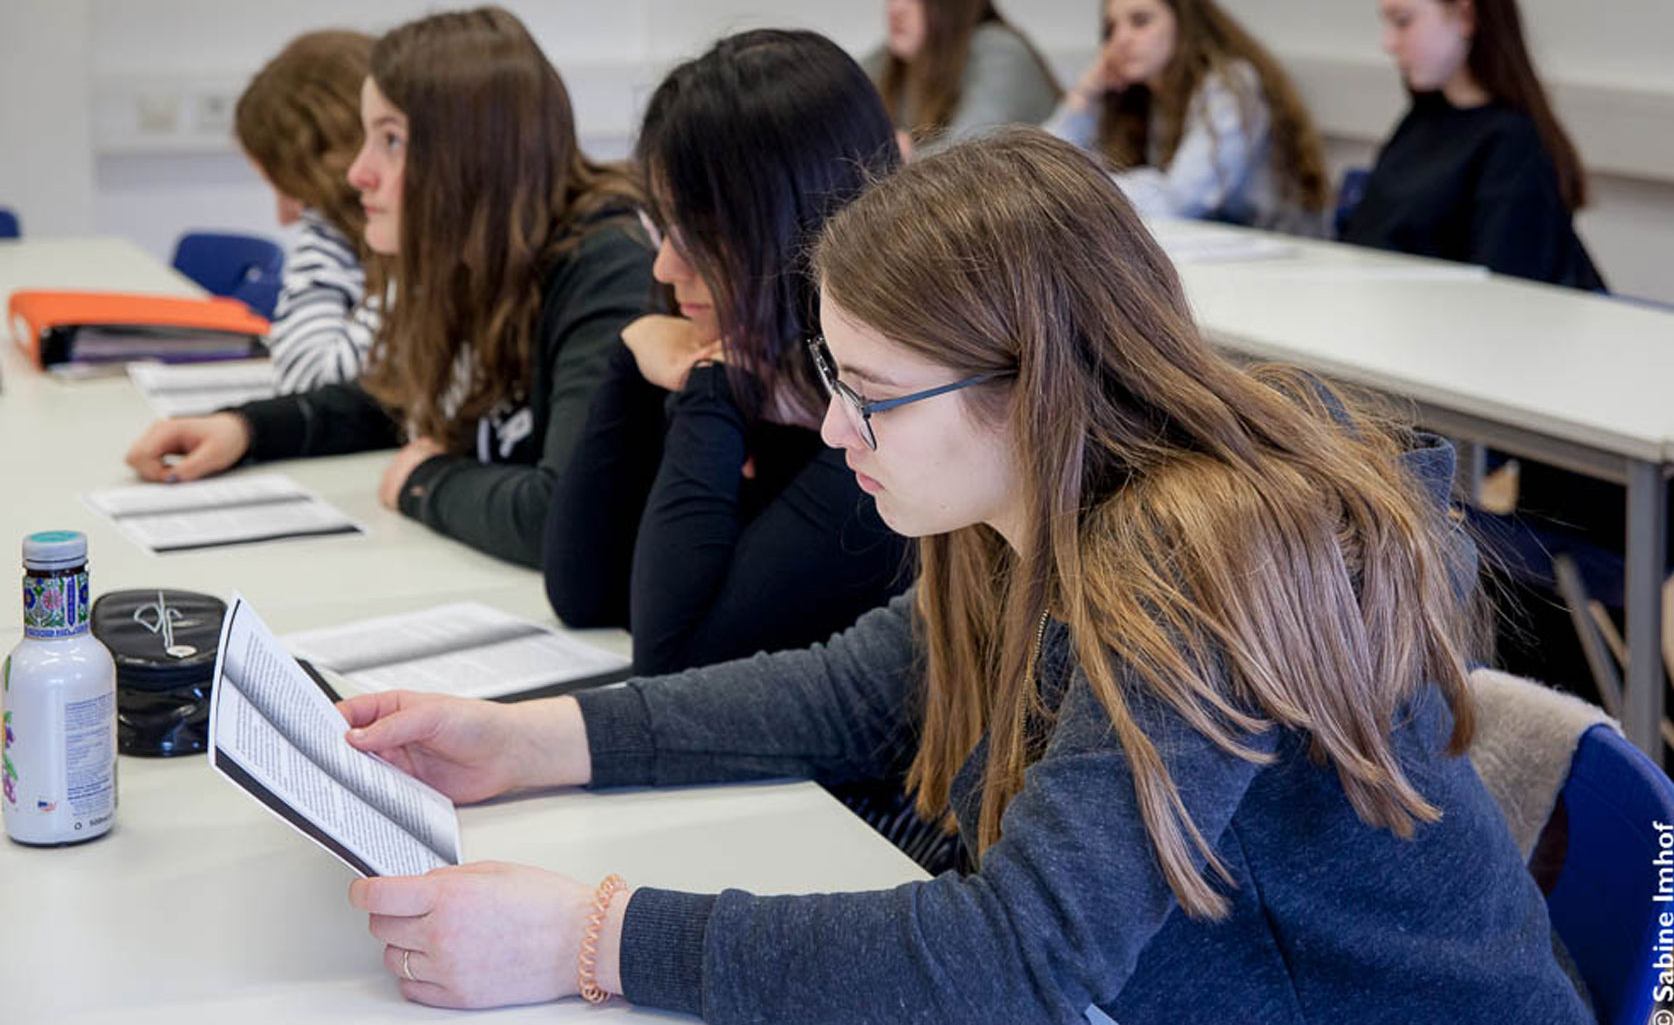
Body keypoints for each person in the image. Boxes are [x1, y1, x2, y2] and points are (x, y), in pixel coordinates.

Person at [340, 130, 1588, 1023]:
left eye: (869, 396)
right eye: (833, 379)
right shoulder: (1024, 513)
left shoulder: (1194, 559)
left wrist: (592, 934)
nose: (835, 432)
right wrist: (522, 741)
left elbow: (1021, 958)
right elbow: (843, 696)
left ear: (1028, 384)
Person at [124, 6, 655, 568]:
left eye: (392, 140)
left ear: (471, 154)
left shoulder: (606, 263)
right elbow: (397, 401)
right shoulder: (480, 255)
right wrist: (246, 428)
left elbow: (566, 523)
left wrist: (426, 483)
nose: (359, 174)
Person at [543, 30, 910, 677]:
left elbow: (674, 659)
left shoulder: (878, 421)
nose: (663, 265)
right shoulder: (735, 350)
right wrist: (632, 365)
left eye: (702, 233)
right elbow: (582, 590)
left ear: (801, 229)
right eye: (663, 225)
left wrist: (711, 388)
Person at [1343, 0, 1605, 289]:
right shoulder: (1422, 121)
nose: (1389, 42)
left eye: (1403, 21)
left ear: (1465, 16)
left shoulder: (1513, 144)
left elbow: (1501, 293)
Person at [1045, 0, 1329, 235]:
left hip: (1282, 252)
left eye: (1140, 21)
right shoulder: (1143, 98)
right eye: (1110, 29)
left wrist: (1074, 186)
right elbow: (1043, 166)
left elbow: (1180, 200)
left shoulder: (1231, 85)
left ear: (1185, 24)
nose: (1120, 40)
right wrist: (1083, 95)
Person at [234, 29, 385, 394]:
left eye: (291, 190)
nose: (285, 219)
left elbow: (308, 381)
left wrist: (324, 222)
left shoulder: (428, 259)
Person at [866, 0, 1059, 152]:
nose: (895, 8)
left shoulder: (1002, 52)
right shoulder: (892, 59)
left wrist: (898, 154)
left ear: (954, 2)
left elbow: (969, 156)